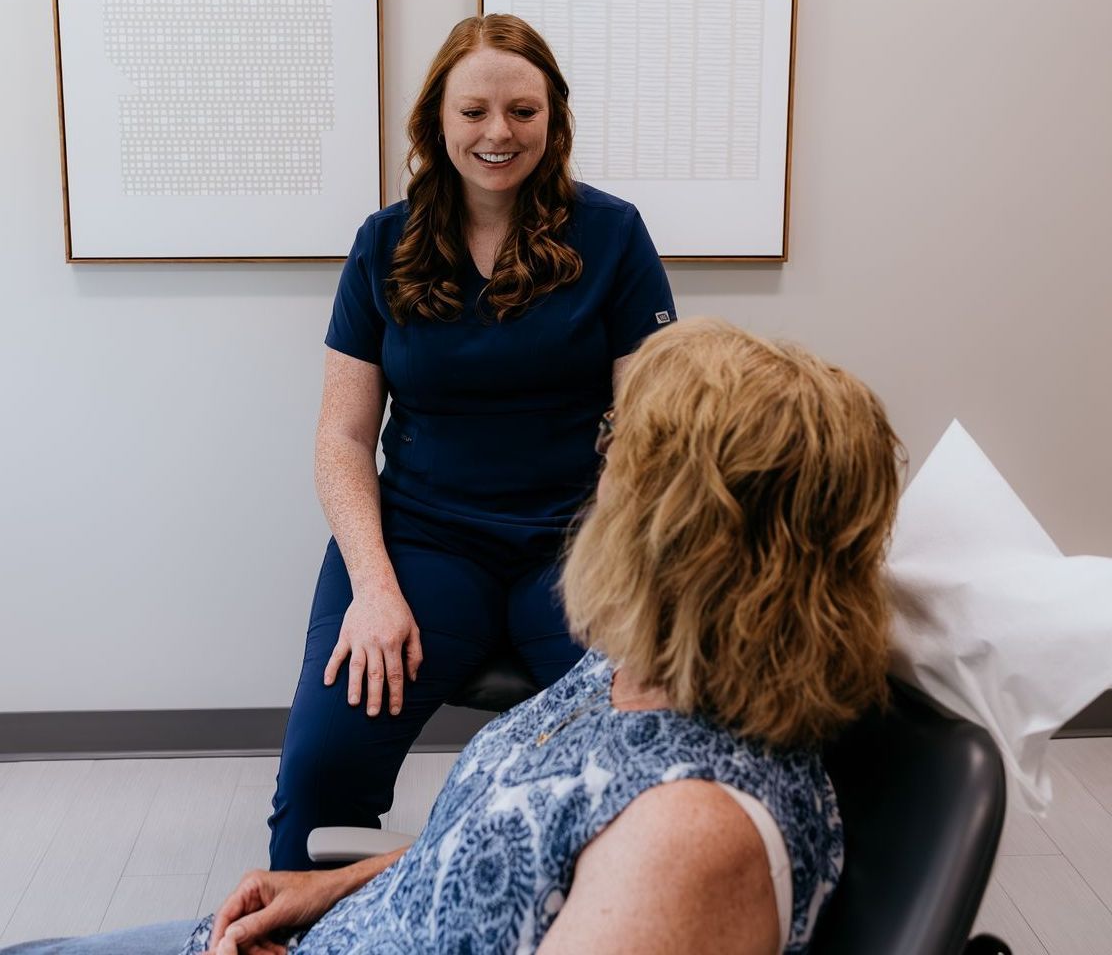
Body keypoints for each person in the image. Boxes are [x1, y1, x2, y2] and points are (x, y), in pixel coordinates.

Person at [5, 318, 904, 955]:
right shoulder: (634, 671)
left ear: (685, 535)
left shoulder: (691, 841)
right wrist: (331, 887)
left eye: (617, 447)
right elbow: (506, 847)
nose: (598, 469)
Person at [267, 14, 676, 870]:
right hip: (421, 541)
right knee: (320, 771)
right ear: (436, 123)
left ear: (554, 121)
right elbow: (343, 435)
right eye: (475, 111)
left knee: (650, 754)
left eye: (523, 112)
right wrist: (373, 589)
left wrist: (632, 565)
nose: (499, 133)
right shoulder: (383, 243)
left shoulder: (614, 236)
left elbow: (653, 427)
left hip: (577, 544)